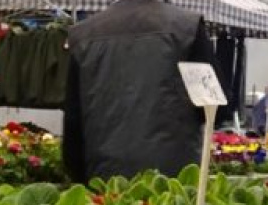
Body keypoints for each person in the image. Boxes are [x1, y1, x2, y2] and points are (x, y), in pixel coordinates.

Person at [62, 0, 216, 182]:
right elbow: (214, 106)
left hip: (105, 172)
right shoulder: (187, 28)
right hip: (174, 173)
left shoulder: (83, 35)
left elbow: (73, 118)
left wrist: (81, 177)